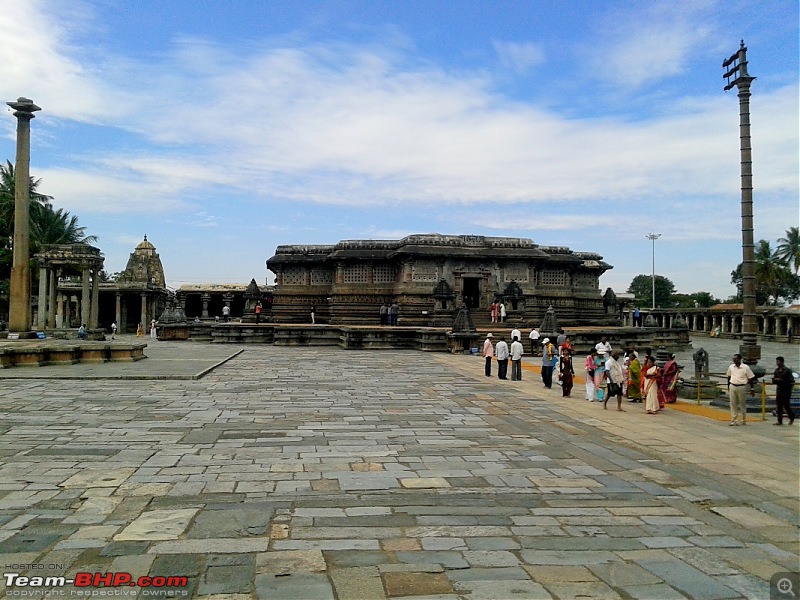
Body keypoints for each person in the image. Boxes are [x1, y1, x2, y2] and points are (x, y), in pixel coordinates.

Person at [725, 353, 756, 426]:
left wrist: (752, 388)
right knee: (733, 404)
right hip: (733, 385)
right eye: (733, 359)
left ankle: (743, 419)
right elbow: (728, 377)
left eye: (735, 358)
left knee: (742, 403)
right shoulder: (731, 367)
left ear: (739, 359)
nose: (734, 360)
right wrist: (728, 386)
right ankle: (733, 420)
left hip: (741, 386)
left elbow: (750, 378)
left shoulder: (745, 367)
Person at [772, 356, 795, 426]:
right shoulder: (776, 371)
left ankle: (791, 416)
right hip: (779, 390)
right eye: (776, 362)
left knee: (786, 405)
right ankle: (779, 420)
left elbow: (791, 381)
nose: (777, 363)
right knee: (779, 406)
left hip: (786, 390)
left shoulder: (787, 371)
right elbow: (774, 381)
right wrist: (774, 380)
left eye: (778, 361)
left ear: (782, 362)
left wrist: (781, 380)